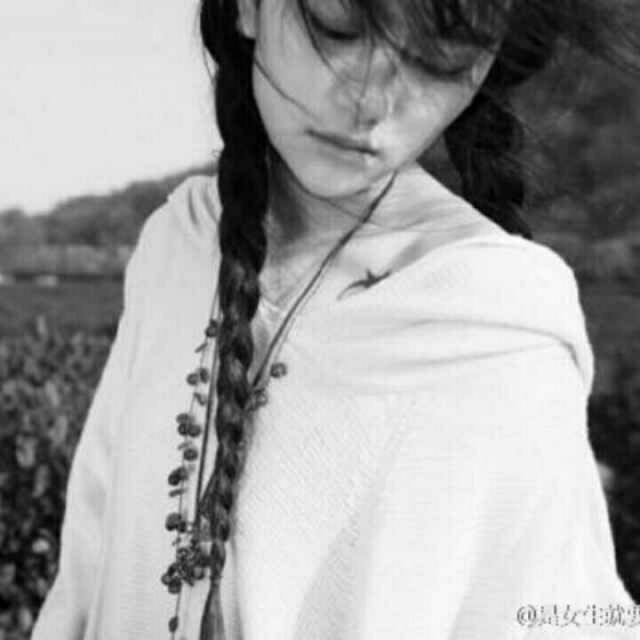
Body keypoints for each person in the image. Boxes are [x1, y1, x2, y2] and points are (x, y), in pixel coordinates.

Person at [31, 0, 639, 639]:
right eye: (337, 26)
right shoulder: (178, 245)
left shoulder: (496, 326)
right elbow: (85, 572)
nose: (371, 102)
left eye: (438, 61)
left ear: (484, 66)